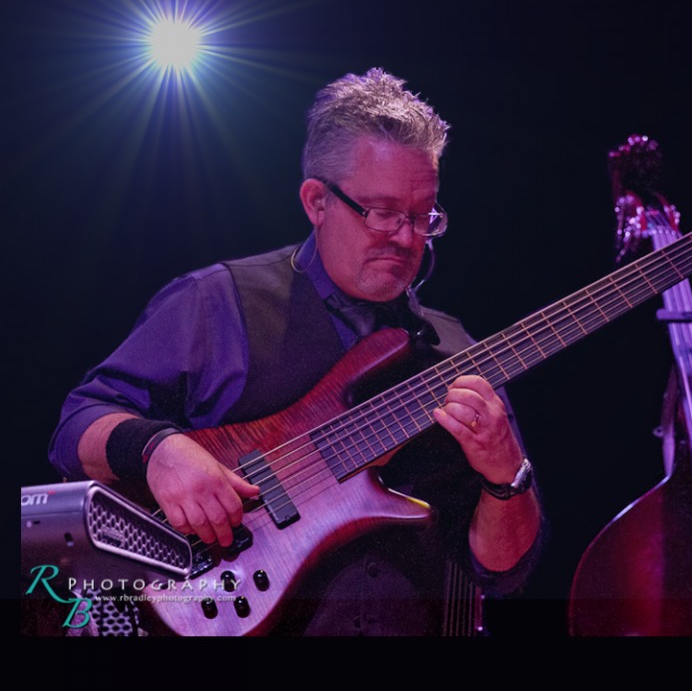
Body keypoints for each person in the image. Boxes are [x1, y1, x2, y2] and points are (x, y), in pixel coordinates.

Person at [49, 68, 544, 635]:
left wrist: (508, 475)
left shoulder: (459, 355)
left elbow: (503, 570)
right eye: (383, 213)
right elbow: (75, 426)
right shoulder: (216, 304)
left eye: (423, 216)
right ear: (317, 201)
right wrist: (159, 451)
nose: (407, 238)